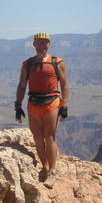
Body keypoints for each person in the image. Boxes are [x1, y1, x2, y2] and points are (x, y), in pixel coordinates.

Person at [15, 33, 69, 189]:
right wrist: (18, 105)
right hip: (33, 103)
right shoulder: (27, 64)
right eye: (39, 43)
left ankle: (53, 172)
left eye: (45, 43)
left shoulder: (57, 62)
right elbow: (22, 86)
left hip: (51, 102)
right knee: (37, 138)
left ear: (49, 44)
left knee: (49, 136)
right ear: (34, 44)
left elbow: (64, 85)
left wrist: (64, 105)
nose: (42, 45)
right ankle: (44, 167)